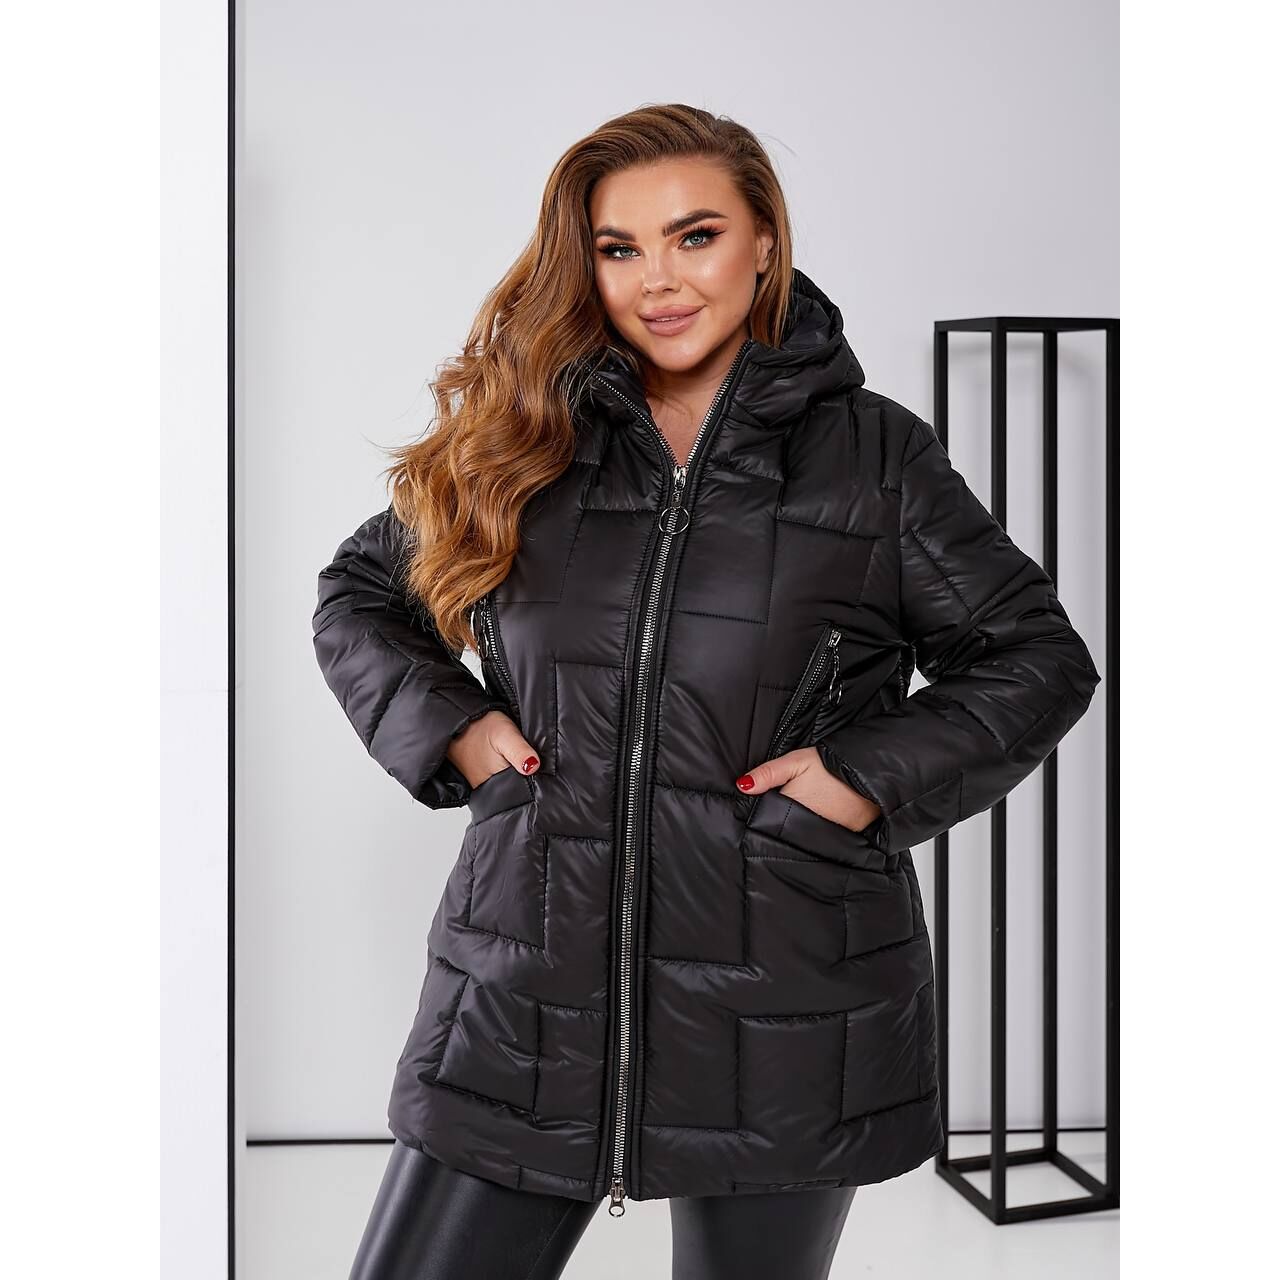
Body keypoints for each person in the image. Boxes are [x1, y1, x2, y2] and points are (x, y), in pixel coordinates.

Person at [313, 103, 1100, 1280]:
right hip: (521, 986)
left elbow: (1034, 655)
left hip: (786, 999)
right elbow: (359, 593)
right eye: (618, 247)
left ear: (763, 242)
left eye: (694, 235)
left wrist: (857, 779)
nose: (658, 280)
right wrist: (461, 730)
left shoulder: (873, 459)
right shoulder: (525, 438)